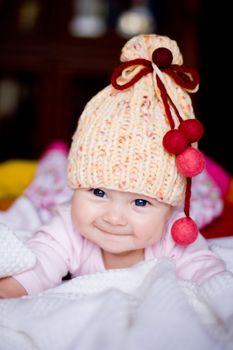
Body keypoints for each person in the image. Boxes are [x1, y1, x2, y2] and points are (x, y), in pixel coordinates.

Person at [0, 34, 227, 298]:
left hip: (191, 177)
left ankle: (209, 170)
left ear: (168, 210)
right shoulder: (68, 226)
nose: (113, 218)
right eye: (98, 192)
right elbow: (38, 265)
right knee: (45, 185)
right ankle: (56, 155)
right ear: (77, 188)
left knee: (207, 191)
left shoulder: (173, 234)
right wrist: (8, 292)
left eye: (141, 202)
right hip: (59, 181)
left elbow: (208, 274)